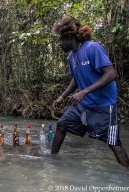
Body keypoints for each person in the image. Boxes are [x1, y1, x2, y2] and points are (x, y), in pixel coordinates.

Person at [51, 15, 129, 167]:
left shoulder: (92, 48)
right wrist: (62, 96)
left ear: (68, 37)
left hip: (105, 105)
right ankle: (52, 161)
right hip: (84, 105)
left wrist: (84, 92)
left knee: (114, 143)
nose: (59, 44)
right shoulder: (71, 57)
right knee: (61, 125)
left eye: (60, 40)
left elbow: (112, 73)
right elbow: (75, 79)